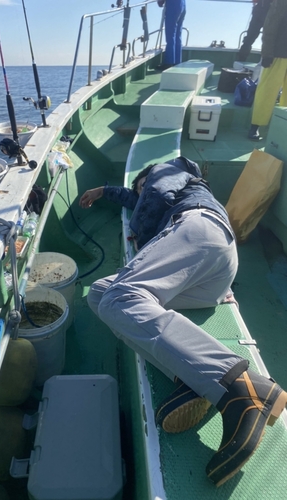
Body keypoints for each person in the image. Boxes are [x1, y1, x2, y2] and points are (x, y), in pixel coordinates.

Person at [79, 156, 287, 486]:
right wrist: (102, 191)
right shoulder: (163, 191)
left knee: (121, 297)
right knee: (101, 294)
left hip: (198, 230)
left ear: (148, 176)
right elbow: (136, 198)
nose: (139, 192)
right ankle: (189, 375)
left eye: (140, 185)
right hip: (210, 271)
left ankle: (240, 388)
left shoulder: (170, 169)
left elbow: (155, 192)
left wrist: (142, 240)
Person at [249, 0, 287, 140]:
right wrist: (267, 54)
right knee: (266, 91)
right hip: (277, 54)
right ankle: (256, 125)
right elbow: (270, 26)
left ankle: (284, 125)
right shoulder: (280, 3)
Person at [157, 0, 186, 68]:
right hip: (183, 5)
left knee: (171, 34)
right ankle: (177, 61)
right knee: (178, 35)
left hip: (173, 5)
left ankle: (169, 62)